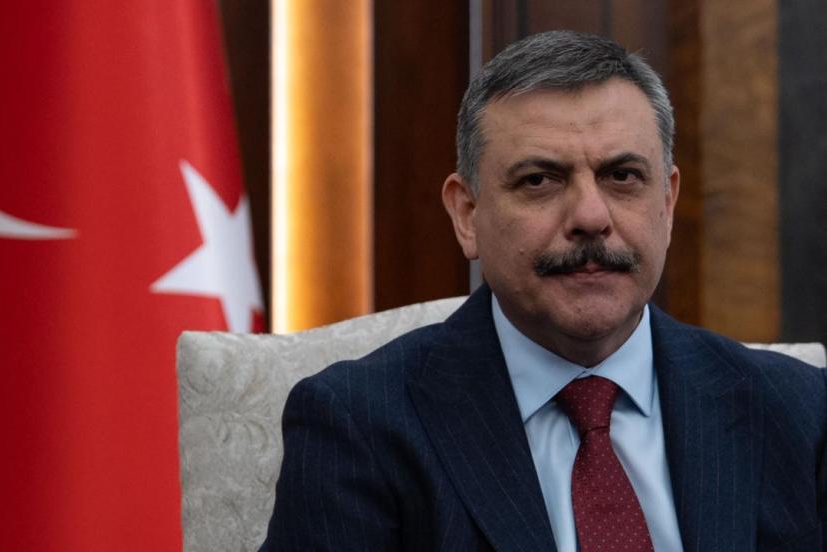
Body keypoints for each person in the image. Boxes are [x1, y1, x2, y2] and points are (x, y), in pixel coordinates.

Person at [260, 30, 826, 551]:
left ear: (668, 203)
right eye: (539, 180)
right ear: (467, 214)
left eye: (622, 176)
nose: (590, 217)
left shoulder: (800, 412)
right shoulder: (359, 426)